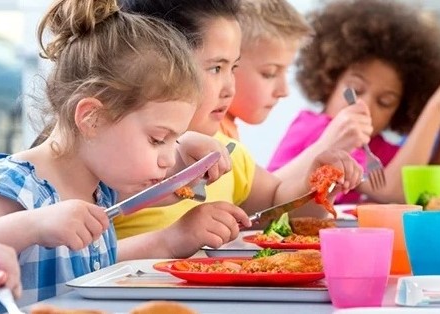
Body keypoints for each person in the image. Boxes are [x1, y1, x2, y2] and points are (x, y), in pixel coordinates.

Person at [0, 0, 250, 309]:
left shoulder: (100, 192)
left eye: (174, 140)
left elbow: (94, 271)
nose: (168, 158)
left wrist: (174, 229)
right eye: (157, 139)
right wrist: (33, 225)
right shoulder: (13, 186)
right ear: (91, 119)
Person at [113, 0, 363, 240]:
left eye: (233, 68)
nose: (230, 88)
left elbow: (281, 208)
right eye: (215, 68)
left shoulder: (228, 152)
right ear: (159, 67)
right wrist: (172, 239)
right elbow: (90, 260)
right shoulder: (120, 161)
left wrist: (318, 182)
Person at [267, 0, 440, 203]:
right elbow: (394, 191)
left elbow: (431, 187)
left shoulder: (375, 147)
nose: (365, 105)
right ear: (329, 81)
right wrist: (437, 104)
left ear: (397, 112)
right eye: (356, 90)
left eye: (385, 102)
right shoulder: (321, 131)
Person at [220, 0, 311, 141]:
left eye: (285, 72)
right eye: (270, 74)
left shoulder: (226, 129)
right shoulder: (209, 135)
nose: (284, 91)